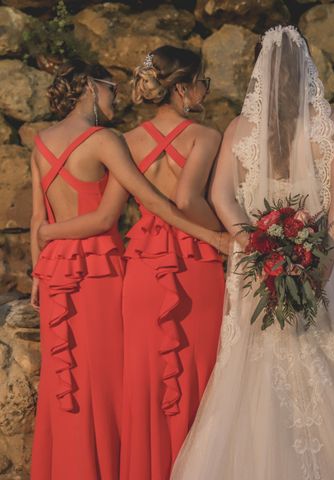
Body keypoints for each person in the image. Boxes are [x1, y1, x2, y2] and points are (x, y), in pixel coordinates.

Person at [170, 26, 334, 480]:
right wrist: (322, 253)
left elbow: (222, 197)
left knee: (254, 362)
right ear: (309, 69)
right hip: (323, 254)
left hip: (257, 262)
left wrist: (258, 243)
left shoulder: (238, 129)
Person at [30, 59, 223, 480]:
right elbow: (129, 211)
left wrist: (38, 261)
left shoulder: (42, 141)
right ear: (90, 87)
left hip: (57, 273)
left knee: (69, 387)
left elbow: (35, 220)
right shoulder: (105, 140)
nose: (117, 96)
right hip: (99, 272)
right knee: (110, 388)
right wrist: (215, 238)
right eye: (110, 88)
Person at [119, 46, 227, 480]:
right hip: (196, 263)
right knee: (203, 373)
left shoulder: (126, 141)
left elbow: (115, 210)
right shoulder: (206, 136)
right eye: (203, 82)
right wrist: (223, 234)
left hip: (144, 265)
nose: (205, 90)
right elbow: (188, 199)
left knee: (147, 378)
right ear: (182, 88)